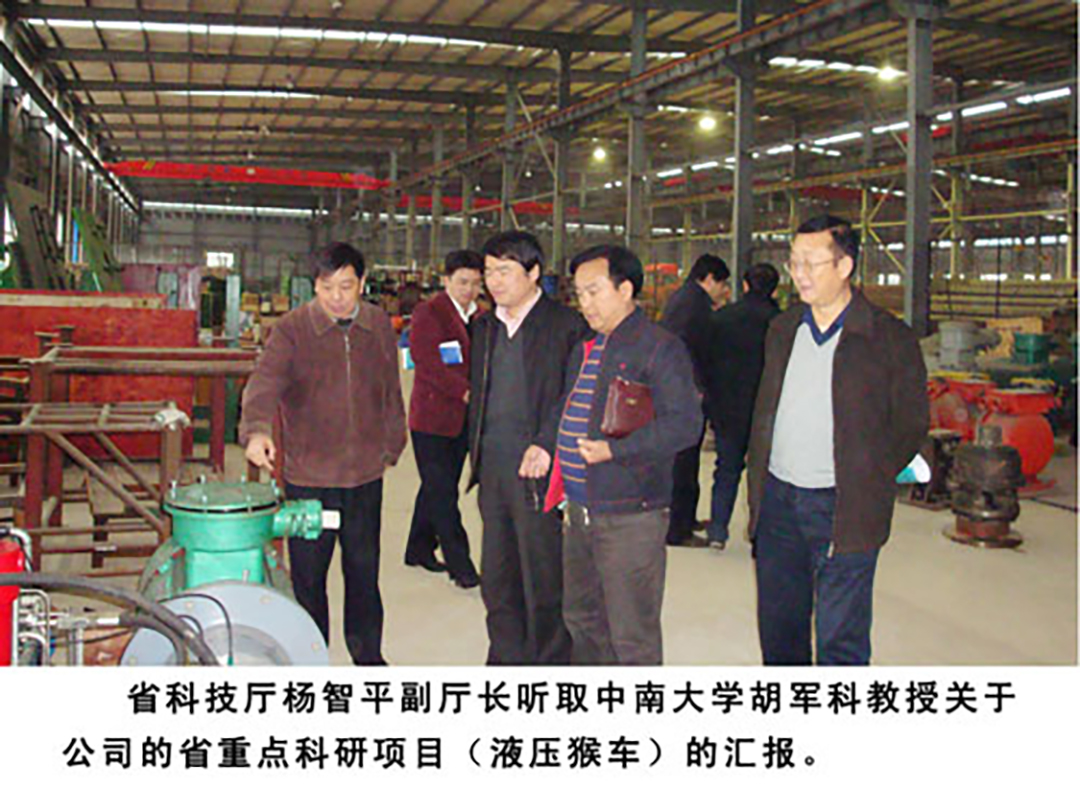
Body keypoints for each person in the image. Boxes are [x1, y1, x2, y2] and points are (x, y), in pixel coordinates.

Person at [747, 215, 928, 665]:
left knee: (840, 641)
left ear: (845, 266)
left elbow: (910, 424)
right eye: (794, 262)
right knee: (780, 633)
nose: (799, 274)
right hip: (778, 503)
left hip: (843, 507)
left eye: (812, 262)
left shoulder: (888, 338)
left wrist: (865, 475)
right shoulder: (783, 330)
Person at [240, 242, 406, 665]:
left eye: (346, 287)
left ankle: (368, 656)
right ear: (314, 285)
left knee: (363, 572)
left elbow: (390, 386)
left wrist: (393, 439)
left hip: (364, 476)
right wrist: (257, 431)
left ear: (361, 284)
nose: (336, 297)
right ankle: (310, 658)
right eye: (327, 287)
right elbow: (264, 384)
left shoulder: (376, 324)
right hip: (309, 478)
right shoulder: (293, 329)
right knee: (310, 579)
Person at [547, 244, 702, 665]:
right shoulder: (585, 347)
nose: (585, 303)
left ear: (626, 289)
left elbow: (685, 424)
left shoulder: (659, 348)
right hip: (579, 509)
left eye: (594, 291)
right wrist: (545, 446)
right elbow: (566, 407)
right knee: (581, 618)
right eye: (579, 293)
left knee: (631, 634)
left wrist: (615, 451)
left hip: (630, 514)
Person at [468, 230, 589, 665]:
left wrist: (546, 442)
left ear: (534, 272)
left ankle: (550, 660)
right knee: (498, 573)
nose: (494, 281)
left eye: (505, 270)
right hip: (493, 466)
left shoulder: (565, 326)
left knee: (543, 572)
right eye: (489, 272)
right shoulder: (483, 327)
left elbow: (575, 393)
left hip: (540, 469)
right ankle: (506, 657)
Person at [404, 249, 483, 588]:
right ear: (446, 280)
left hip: (464, 421)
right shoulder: (429, 313)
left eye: (475, 283)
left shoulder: (480, 317)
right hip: (432, 420)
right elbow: (427, 362)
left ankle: (417, 548)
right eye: (462, 282)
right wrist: (465, 392)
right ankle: (460, 565)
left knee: (437, 486)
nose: (469, 290)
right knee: (443, 494)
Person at [701, 262, 781, 550]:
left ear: (745, 285)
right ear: (775, 289)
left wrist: (710, 404)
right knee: (764, 475)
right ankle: (760, 535)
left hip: (728, 407)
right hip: (766, 411)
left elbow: (707, 364)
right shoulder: (781, 323)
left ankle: (717, 531)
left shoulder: (722, 318)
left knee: (726, 469)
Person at [660, 253, 731, 546]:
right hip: (685, 393)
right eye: (722, 284)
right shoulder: (694, 306)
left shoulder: (685, 299)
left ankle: (685, 519)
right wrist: (698, 386)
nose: (724, 291)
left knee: (686, 460)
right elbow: (692, 350)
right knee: (684, 462)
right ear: (709, 279)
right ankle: (678, 530)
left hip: (679, 389)